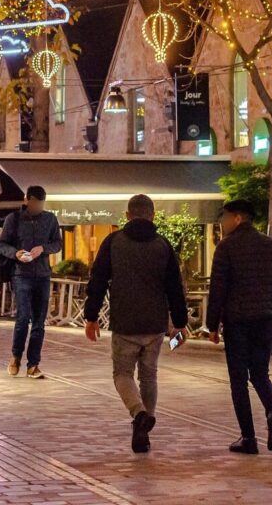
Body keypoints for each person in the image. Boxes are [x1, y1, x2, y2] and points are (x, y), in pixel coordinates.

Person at [84, 194, 189, 454]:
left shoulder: (113, 242)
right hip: (154, 324)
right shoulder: (163, 245)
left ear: (127, 215)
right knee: (149, 375)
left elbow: (97, 281)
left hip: (124, 321)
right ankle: (145, 427)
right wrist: (180, 322)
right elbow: (175, 287)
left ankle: (139, 413)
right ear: (152, 215)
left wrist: (91, 316)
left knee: (122, 374)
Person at [206, 199, 272, 456]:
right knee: (260, 373)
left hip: (237, 322)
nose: (222, 223)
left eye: (225, 217)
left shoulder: (226, 247)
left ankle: (248, 438)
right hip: (265, 320)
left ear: (237, 218)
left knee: (238, 380)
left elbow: (218, 290)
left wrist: (212, 325)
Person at [0, 186, 62, 379]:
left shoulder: (50, 219)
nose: (37, 207)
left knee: (39, 322)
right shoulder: (13, 219)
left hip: (42, 274)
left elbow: (58, 243)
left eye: (41, 203)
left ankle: (33, 364)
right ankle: (16, 356)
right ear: (27, 200)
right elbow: (1, 244)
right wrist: (15, 253)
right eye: (34, 202)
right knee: (23, 317)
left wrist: (43, 248)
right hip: (21, 274)